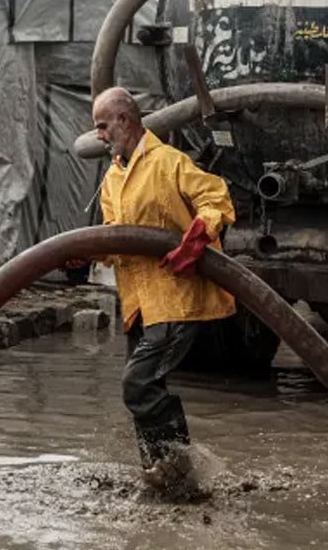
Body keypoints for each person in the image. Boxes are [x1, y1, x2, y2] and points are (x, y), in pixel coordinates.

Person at [87, 86, 236, 494]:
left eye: (103, 126)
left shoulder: (169, 162)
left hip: (175, 298)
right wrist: (86, 252)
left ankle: (176, 468)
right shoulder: (113, 179)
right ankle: (162, 477)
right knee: (145, 389)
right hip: (138, 304)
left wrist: (197, 237)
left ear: (124, 120)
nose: (99, 135)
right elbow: (119, 242)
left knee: (138, 384)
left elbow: (216, 198)